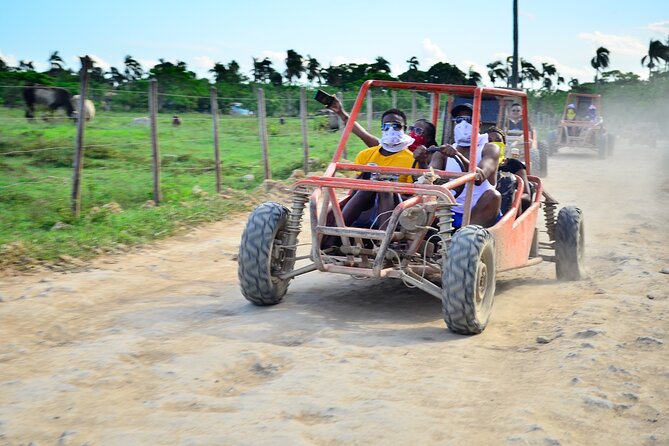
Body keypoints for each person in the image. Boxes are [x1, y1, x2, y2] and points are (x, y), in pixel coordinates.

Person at [319, 107, 416, 248]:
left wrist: (388, 185)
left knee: (385, 189)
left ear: (404, 128)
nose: (391, 130)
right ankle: (334, 238)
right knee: (368, 186)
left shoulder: (411, 159)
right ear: (382, 128)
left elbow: (411, 195)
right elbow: (354, 188)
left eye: (396, 126)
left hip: (395, 207)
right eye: (386, 126)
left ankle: (384, 244)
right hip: (365, 204)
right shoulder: (366, 155)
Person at [428, 104, 501, 228]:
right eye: (459, 120)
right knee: (424, 200)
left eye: (469, 120)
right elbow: (428, 178)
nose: (463, 124)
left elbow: (479, 177)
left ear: (479, 125)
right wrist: (422, 160)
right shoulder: (443, 153)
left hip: (480, 210)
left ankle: (464, 237)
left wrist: (458, 156)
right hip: (448, 210)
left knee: (493, 196)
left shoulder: (490, 148)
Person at [488, 126, 531, 213]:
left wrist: (513, 196)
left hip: (510, 210)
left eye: (498, 140)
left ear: (504, 144)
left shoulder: (513, 164)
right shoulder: (480, 166)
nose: (494, 143)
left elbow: (527, 196)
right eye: (489, 141)